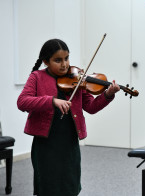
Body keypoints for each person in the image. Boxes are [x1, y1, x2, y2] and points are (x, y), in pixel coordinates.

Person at [17, 39, 120, 196]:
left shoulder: (77, 78)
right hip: (46, 144)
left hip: (69, 142)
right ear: (46, 61)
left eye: (66, 58)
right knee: (48, 185)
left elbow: (91, 107)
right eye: (58, 60)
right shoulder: (37, 77)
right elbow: (22, 101)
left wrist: (107, 95)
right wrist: (52, 101)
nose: (64, 64)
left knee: (70, 184)